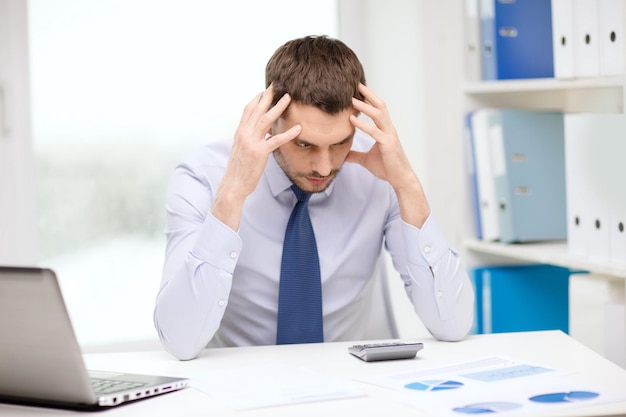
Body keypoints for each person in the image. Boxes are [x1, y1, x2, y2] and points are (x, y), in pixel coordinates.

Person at [153, 35, 474, 360]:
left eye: (340, 143)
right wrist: (233, 193)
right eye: (304, 144)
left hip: (359, 384)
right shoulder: (202, 177)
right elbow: (180, 341)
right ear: (269, 121)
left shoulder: (377, 172)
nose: (324, 167)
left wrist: (406, 184)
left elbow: (454, 324)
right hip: (244, 388)